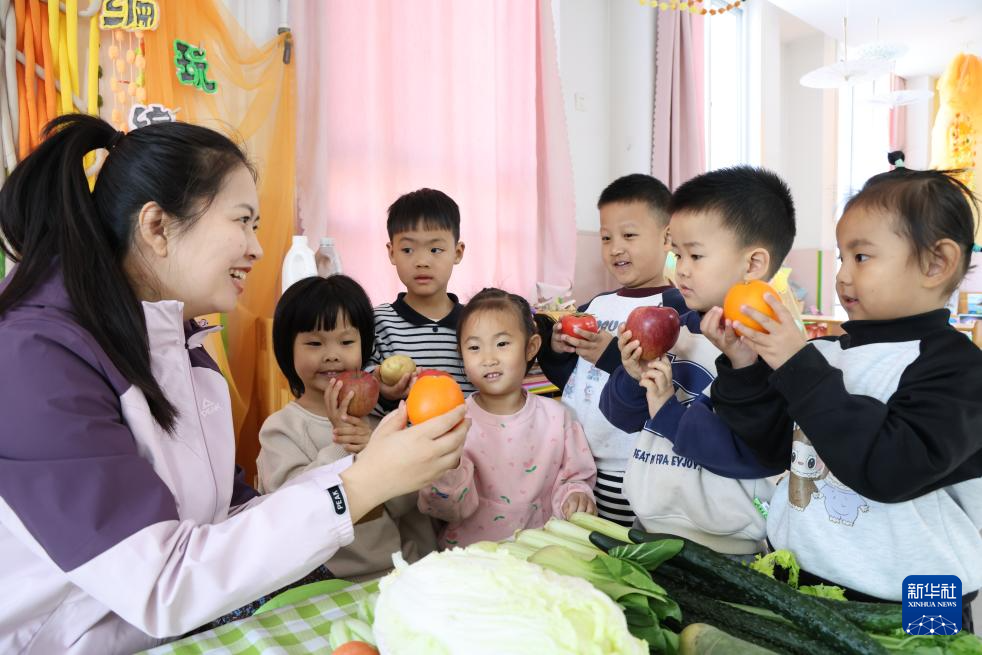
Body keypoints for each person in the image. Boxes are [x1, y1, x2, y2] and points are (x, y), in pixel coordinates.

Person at [0, 114, 467, 654]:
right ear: (157, 227)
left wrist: (367, 468)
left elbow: (223, 520)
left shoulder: (183, 348)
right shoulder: (35, 357)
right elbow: (161, 583)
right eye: (243, 221)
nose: (257, 248)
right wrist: (361, 485)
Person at [711, 168, 982, 629]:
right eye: (841, 257)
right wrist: (744, 368)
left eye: (861, 257)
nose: (842, 275)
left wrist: (799, 367)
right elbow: (772, 449)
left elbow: (890, 470)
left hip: (918, 596)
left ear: (936, 263)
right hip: (801, 573)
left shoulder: (960, 370)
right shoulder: (822, 354)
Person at [599, 166, 795, 555]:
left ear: (752, 265)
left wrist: (666, 410)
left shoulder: (773, 349)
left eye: (696, 255)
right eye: (677, 254)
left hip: (727, 547)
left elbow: (746, 455)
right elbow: (620, 417)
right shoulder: (675, 327)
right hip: (649, 526)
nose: (682, 269)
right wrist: (631, 376)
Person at [257, 275, 436, 580]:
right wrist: (341, 447)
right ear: (288, 349)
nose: (332, 354)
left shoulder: (378, 423)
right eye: (314, 343)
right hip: (321, 582)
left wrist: (377, 450)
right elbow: (289, 511)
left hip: (392, 574)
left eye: (346, 342)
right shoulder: (281, 430)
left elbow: (407, 505)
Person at [537, 174, 680, 527]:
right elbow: (573, 379)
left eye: (629, 235)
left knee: (633, 546)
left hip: (639, 461)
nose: (616, 248)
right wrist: (558, 351)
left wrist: (610, 355)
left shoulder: (677, 310)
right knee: (587, 545)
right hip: (581, 463)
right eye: (606, 238)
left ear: (667, 238)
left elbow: (667, 380)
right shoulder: (595, 306)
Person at [418, 288, 597, 548]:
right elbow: (444, 509)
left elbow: (575, 478)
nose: (488, 359)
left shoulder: (557, 417)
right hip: (470, 558)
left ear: (531, 347)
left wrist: (576, 496)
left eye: (502, 344)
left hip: (539, 554)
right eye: (474, 347)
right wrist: (449, 465)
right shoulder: (455, 423)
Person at [369, 188, 476, 416]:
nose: (422, 261)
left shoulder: (476, 322)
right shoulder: (377, 323)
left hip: (470, 437)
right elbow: (364, 397)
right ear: (392, 252)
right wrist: (387, 394)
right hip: (405, 438)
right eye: (407, 249)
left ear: (457, 253)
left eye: (435, 249)